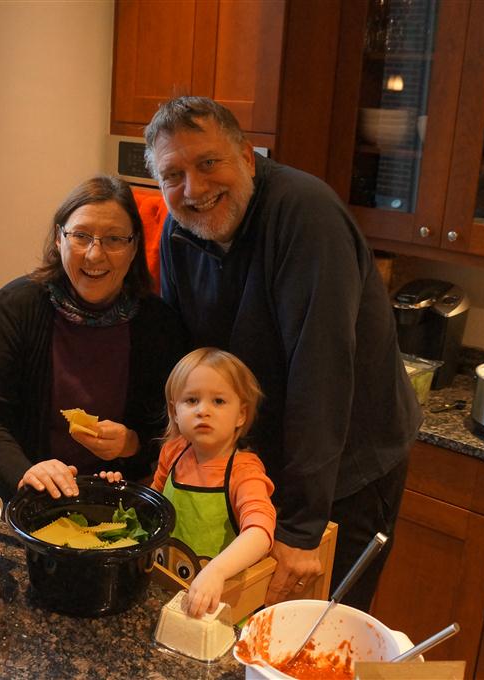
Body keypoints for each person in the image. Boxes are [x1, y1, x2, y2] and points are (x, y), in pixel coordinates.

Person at [146, 96, 422, 612]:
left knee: (315, 629)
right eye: (173, 175)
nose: (194, 189)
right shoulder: (178, 230)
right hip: (251, 462)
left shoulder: (306, 215)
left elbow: (322, 372)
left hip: (343, 466)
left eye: (208, 162)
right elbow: (185, 361)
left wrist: (300, 526)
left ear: (247, 158)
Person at [0, 175, 188, 500]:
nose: (95, 255)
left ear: (134, 246)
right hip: (24, 499)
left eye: (114, 239)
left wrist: (132, 443)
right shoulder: (16, 306)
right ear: (59, 239)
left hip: (116, 501)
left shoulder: (160, 324)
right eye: (81, 236)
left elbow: (175, 428)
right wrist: (27, 472)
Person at [105, 347, 275, 617]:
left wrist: (216, 572)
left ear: (241, 415)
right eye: (192, 400)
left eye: (218, 401)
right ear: (175, 411)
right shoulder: (172, 452)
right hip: (165, 586)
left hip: (218, 607)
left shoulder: (244, 472)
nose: (203, 411)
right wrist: (120, 496)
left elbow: (260, 533)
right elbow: (152, 507)